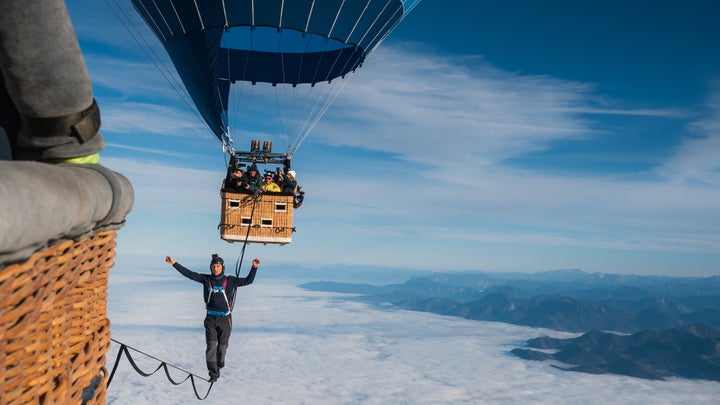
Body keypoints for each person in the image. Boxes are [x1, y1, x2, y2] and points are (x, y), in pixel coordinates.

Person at [165, 254, 260, 382]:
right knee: (211, 347)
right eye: (214, 266)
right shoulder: (206, 279)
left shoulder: (231, 281)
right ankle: (213, 374)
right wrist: (174, 263)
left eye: (218, 266)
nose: (216, 268)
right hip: (210, 319)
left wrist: (254, 267)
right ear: (211, 267)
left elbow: (248, 281)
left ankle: (219, 365)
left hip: (225, 320)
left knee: (222, 349)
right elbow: (189, 274)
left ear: (222, 267)